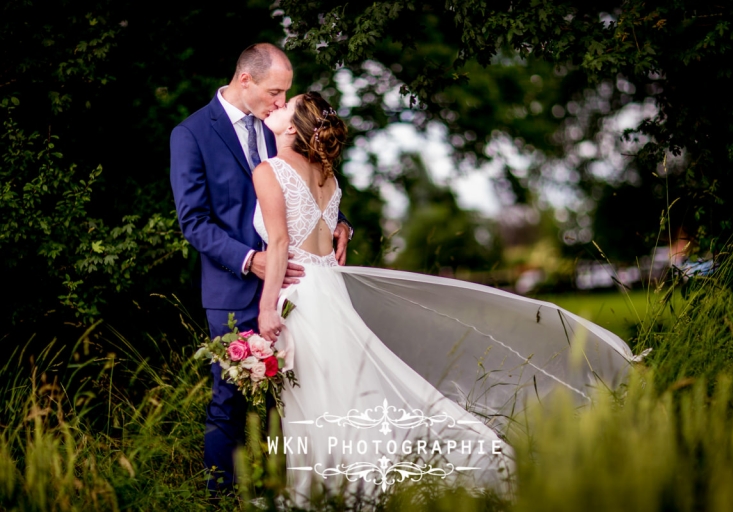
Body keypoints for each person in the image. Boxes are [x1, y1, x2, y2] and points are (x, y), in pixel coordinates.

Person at [253, 92, 637, 506]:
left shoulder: (269, 171)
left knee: (316, 396)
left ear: (293, 127)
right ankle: (355, 488)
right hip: (331, 290)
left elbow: (278, 244)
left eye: (285, 105)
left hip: (304, 297)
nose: (277, 106)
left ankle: (331, 493)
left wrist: (266, 308)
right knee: (346, 390)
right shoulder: (327, 176)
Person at [169, 43, 352, 495]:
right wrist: (249, 259)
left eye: (284, 95)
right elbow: (193, 221)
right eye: (275, 91)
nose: (279, 102)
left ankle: (277, 490)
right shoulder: (191, 134)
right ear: (245, 80)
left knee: (286, 403)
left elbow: (311, 184)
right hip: (232, 288)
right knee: (227, 404)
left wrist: (340, 223)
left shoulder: (281, 129)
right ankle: (220, 498)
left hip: (296, 290)